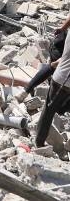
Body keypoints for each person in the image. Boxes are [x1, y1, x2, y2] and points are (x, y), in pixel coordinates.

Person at [35, 14, 70, 148]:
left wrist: (62, 28)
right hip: (64, 81)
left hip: (61, 79)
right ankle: (39, 143)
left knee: (49, 110)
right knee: (50, 111)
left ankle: (39, 141)